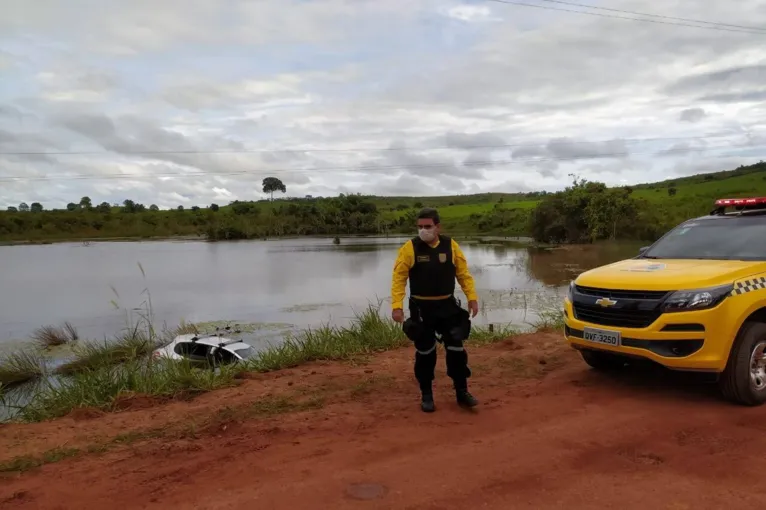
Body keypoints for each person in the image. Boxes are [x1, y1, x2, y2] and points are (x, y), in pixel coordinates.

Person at [390, 207, 480, 413]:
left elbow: (464, 275)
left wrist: (472, 298)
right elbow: (399, 279)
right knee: (425, 352)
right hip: (421, 309)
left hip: (447, 306)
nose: (423, 230)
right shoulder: (409, 248)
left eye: (428, 226)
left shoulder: (451, 246)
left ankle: (462, 392)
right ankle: (427, 395)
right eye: (420, 227)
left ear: (438, 227)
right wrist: (397, 306)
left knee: (456, 349)